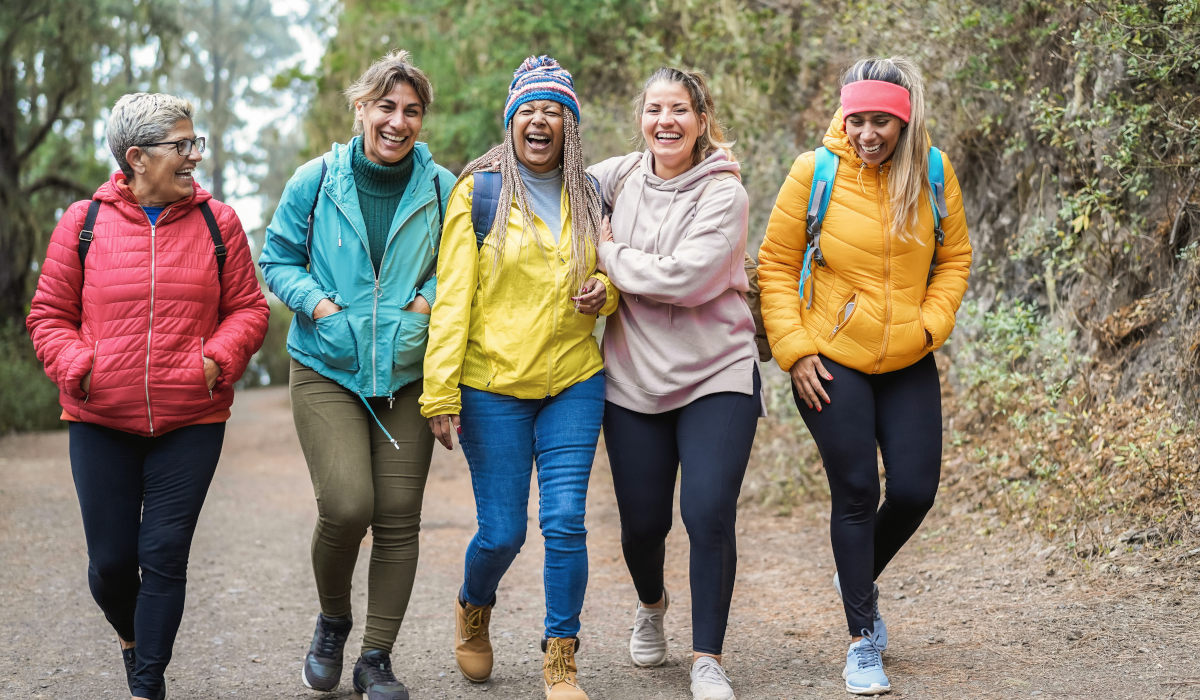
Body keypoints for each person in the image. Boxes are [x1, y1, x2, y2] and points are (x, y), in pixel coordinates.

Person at [26, 93, 269, 700]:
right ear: (136, 158)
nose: (194, 157)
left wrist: (216, 360)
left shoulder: (221, 223)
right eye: (181, 146)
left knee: (163, 553)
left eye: (195, 143)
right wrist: (78, 365)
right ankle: (134, 643)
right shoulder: (82, 223)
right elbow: (48, 315)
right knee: (111, 564)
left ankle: (147, 683)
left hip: (190, 418)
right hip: (101, 417)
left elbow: (248, 309)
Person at [758, 56, 972, 695]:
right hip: (829, 359)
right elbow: (774, 265)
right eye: (858, 120)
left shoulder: (933, 173)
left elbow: (954, 258)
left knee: (914, 490)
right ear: (843, 115)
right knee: (854, 491)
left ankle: (855, 573)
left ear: (905, 121)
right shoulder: (814, 172)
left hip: (909, 356)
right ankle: (861, 642)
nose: (867, 134)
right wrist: (795, 350)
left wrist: (930, 326)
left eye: (882, 121)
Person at [420, 55, 617, 700]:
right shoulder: (476, 195)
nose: (540, 121)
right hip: (492, 385)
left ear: (570, 125)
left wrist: (605, 291)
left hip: (573, 381)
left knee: (565, 521)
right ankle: (473, 608)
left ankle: (561, 659)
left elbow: (614, 271)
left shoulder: (588, 195)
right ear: (511, 123)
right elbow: (452, 300)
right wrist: (440, 391)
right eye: (528, 110)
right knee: (503, 530)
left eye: (553, 111)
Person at [258, 51, 453, 700]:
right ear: (361, 109)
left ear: (422, 119)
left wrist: (424, 303)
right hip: (328, 366)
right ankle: (333, 620)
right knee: (347, 506)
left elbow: (462, 267)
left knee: (398, 514)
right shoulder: (314, 181)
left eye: (412, 111)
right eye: (386, 107)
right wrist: (318, 306)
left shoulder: (443, 189)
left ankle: (376, 658)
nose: (398, 122)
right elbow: (278, 257)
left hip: (407, 373)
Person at [586, 67, 761, 700]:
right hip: (633, 378)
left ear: (701, 119)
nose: (666, 121)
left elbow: (684, 278)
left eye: (680, 110)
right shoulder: (619, 175)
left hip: (718, 369)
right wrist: (491, 163)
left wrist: (609, 256)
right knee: (641, 526)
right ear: (641, 118)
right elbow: (547, 174)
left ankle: (707, 657)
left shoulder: (725, 194)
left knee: (708, 510)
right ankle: (652, 602)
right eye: (655, 109)